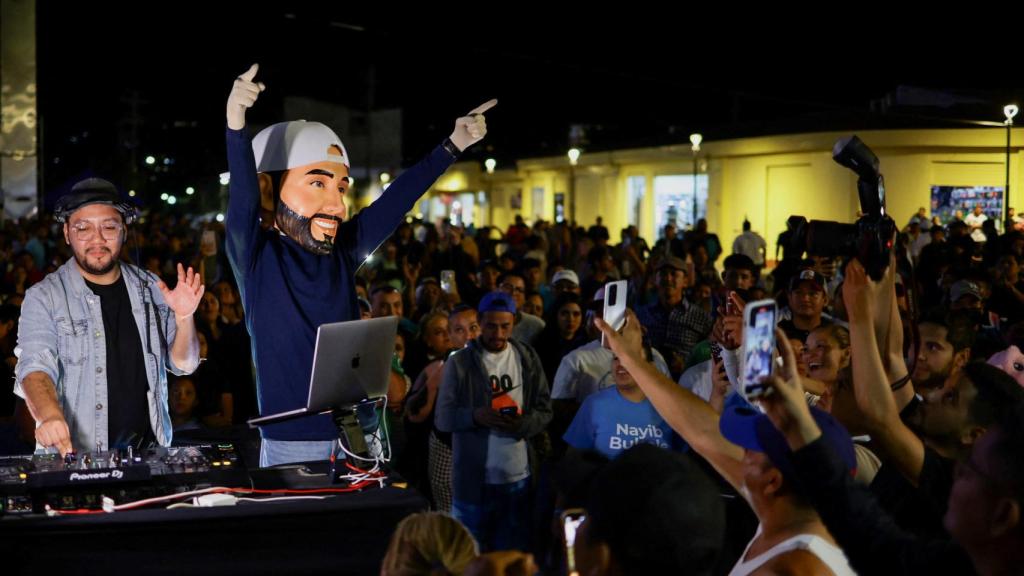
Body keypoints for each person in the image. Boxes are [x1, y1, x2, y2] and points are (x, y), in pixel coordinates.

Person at [224, 64, 494, 466]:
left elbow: (395, 202)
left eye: (341, 188)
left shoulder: (341, 252)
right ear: (268, 190)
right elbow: (242, 202)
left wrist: (451, 146)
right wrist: (235, 124)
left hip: (358, 434)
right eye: (317, 183)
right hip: (291, 441)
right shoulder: (258, 260)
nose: (336, 205)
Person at [14, 179, 201, 455]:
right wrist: (49, 415)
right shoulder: (44, 296)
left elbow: (185, 364)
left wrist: (185, 317)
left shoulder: (151, 287)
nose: (97, 239)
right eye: (83, 228)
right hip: (76, 459)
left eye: (109, 227)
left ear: (124, 230)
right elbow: (34, 369)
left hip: (149, 458)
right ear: (67, 233)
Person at [435, 291, 552, 552]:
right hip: (473, 483)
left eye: (505, 326)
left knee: (511, 559)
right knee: (470, 558)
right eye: (490, 326)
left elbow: (545, 410)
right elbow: (442, 419)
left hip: (517, 480)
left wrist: (523, 424)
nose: (498, 334)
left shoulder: (527, 357)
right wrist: (476, 416)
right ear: (479, 322)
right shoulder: (460, 363)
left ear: (514, 324)